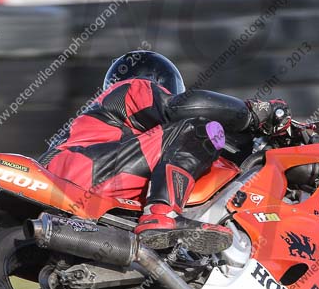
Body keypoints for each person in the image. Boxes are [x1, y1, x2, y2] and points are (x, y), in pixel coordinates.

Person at [41, 51, 290, 255]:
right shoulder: (133, 87)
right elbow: (179, 109)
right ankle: (161, 215)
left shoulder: (94, 127)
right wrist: (253, 113)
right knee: (204, 128)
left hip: (68, 187)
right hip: (90, 173)